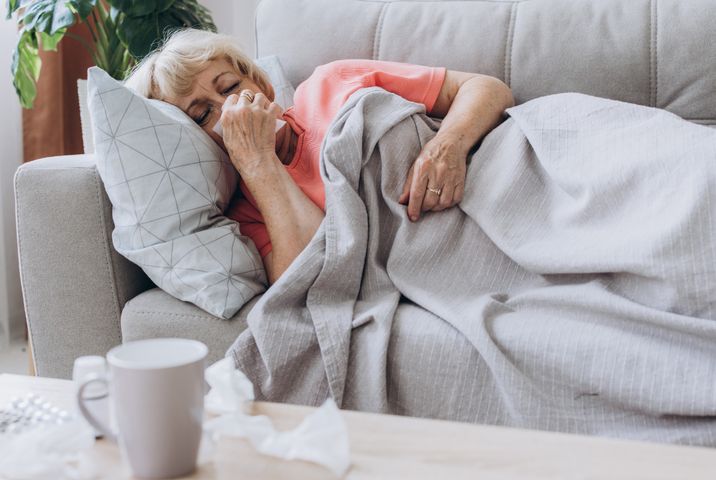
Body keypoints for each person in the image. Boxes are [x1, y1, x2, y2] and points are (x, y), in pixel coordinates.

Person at [124, 29, 514, 284]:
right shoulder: (248, 212)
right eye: (203, 114)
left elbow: (485, 88)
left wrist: (445, 146)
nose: (231, 106)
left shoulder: (330, 81)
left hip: (499, 174)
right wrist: (258, 161)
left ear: (260, 83)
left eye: (230, 86)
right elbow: (312, 276)